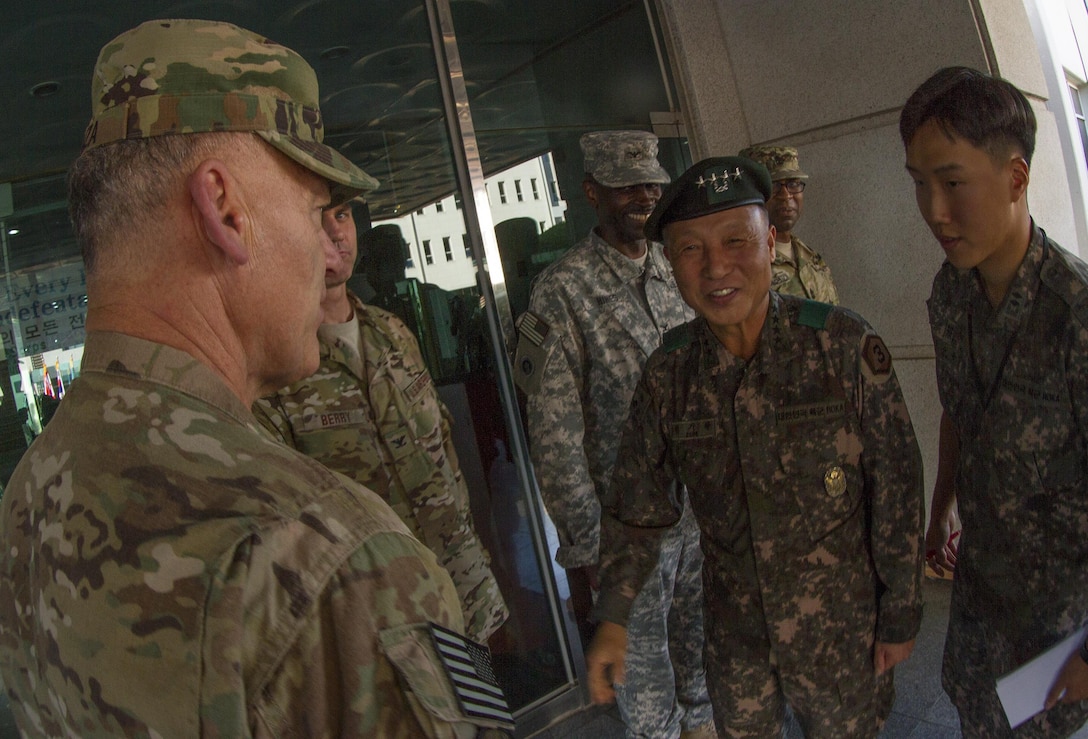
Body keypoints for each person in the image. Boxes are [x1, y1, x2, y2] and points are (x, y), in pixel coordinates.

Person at [0, 19, 511, 738]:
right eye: (311, 210)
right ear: (227, 209)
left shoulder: (32, 491)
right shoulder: (335, 556)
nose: (328, 255)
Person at [586, 156, 924, 738]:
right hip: (736, 639)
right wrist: (614, 617)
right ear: (670, 263)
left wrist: (901, 612)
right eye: (690, 249)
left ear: (770, 242)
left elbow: (897, 485)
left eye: (737, 240)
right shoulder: (668, 377)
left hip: (842, 632)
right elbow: (636, 509)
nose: (717, 266)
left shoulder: (840, 345)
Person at [903, 66, 1088, 737]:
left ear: (1014, 178)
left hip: (1062, 614)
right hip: (983, 592)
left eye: (952, 182)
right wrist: (940, 510)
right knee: (974, 711)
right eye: (919, 184)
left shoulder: (1075, 311)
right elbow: (960, 409)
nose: (934, 211)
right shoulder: (951, 294)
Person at [514, 131, 714, 738]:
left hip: (700, 517)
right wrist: (588, 544)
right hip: (627, 536)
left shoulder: (679, 267)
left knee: (704, 677)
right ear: (592, 193)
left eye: (651, 182)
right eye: (626, 186)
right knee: (649, 699)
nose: (643, 195)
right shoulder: (559, 291)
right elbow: (553, 434)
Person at [254, 199, 509, 644]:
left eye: (341, 215)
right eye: (315, 217)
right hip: (380, 620)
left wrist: (473, 555)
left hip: (460, 590)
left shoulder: (392, 331)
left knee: (482, 710)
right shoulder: (277, 367)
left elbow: (443, 451)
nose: (335, 233)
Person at [739, 145, 840, 304]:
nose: (786, 195)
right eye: (774, 186)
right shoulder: (741, 267)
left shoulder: (810, 258)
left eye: (793, 184)